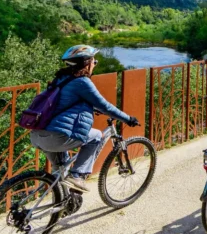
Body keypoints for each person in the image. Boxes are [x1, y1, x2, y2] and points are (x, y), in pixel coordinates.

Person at [29, 45, 139, 192]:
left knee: (60, 172)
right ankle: (77, 175)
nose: (95, 64)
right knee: (97, 136)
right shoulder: (82, 82)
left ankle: (61, 203)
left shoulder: (60, 79)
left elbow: (65, 103)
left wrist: (91, 108)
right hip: (57, 137)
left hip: (38, 135)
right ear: (86, 63)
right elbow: (105, 106)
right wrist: (128, 118)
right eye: (94, 61)